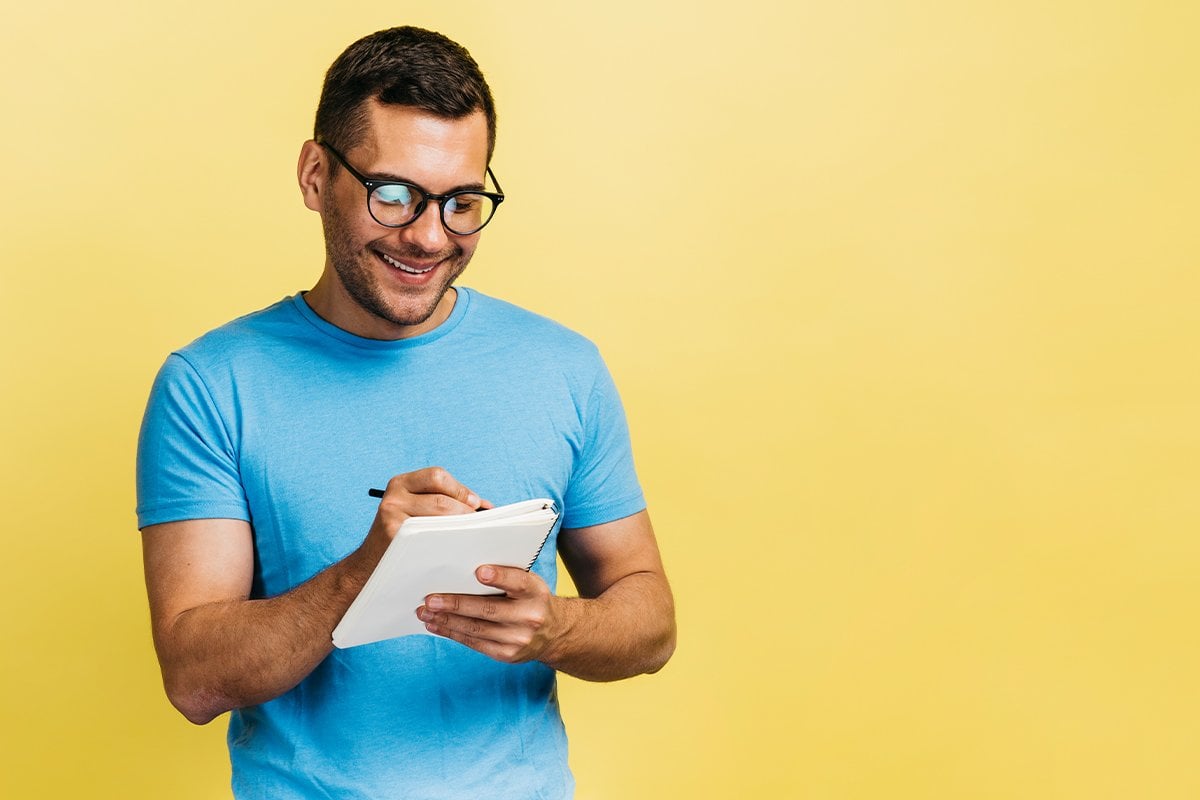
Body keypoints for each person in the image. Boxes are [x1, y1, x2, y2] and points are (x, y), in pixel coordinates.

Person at [135, 25, 675, 800]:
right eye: (393, 195)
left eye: (462, 203)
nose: (428, 237)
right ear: (316, 175)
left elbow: (651, 623)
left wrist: (556, 626)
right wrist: (367, 569)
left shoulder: (563, 368)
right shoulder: (211, 385)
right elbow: (194, 679)